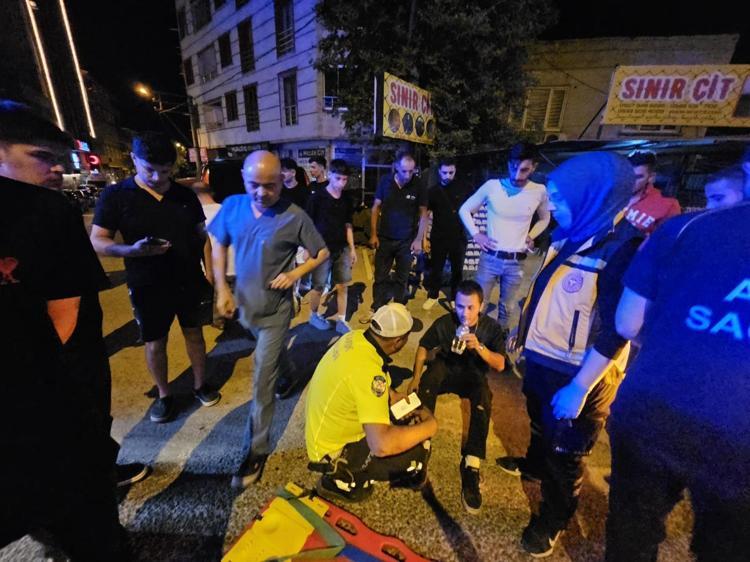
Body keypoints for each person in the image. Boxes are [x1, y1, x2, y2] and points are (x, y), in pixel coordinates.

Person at [496, 152, 643, 557]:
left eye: (560, 196)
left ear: (591, 196)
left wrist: (580, 387)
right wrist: (523, 332)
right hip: (545, 359)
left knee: (566, 453)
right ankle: (533, 465)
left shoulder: (622, 249)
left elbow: (618, 328)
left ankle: (554, 518)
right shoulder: (572, 231)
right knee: (541, 427)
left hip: (580, 373)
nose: (551, 205)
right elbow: (547, 289)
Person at [0, 100, 128, 560]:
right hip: (52, 395)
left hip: (39, 398)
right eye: (41, 157)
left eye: (59, 158)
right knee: (86, 516)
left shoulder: (48, 208)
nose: (57, 169)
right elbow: (64, 318)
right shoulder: (45, 211)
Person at [606, 177, 750, 562]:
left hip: (653, 407)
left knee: (632, 530)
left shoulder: (683, 228)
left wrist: (674, 337)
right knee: (727, 546)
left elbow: (627, 323)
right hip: (740, 434)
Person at [209, 150, 329, 488]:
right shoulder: (232, 206)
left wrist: (295, 274)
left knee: (262, 379)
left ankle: (255, 450)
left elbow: (322, 252)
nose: (262, 193)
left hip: (277, 311)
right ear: (244, 180)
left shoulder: (294, 216)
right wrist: (222, 288)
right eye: (254, 185)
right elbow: (218, 243)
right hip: (245, 308)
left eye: (270, 186)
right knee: (273, 361)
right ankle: (288, 375)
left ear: (282, 181)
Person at [91, 132, 220, 423]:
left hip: (188, 279)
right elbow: (98, 240)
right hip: (147, 282)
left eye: (165, 171)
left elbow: (202, 237)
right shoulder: (115, 196)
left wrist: (211, 274)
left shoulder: (184, 196)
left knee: (195, 334)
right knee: (155, 342)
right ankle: (164, 395)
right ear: (134, 159)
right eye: (149, 169)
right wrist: (131, 250)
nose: (157, 178)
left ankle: (200, 385)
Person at [305, 303, 437, 502]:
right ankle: (341, 478)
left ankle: (350, 469)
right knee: (418, 454)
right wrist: (430, 426)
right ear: (398, 341)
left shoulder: (356, 338)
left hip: (324, 431)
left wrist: (392, 396)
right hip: (330, 451)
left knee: (402, 425)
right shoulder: (370, 374)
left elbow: (362, 379)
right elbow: (381, 445)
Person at [407, 280, 505, 513]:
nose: (465, 313)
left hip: (473, 374)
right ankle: (422, 445)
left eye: (471, 307)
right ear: (454, 305)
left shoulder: (490, 328)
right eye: (460, 306)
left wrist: (479, 347)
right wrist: (415, 377)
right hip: (447, 369)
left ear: (481, 306)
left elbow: (500, 364)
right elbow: (423, 345)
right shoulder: (446, 323)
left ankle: (472, 463)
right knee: (429, 381)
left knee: (483, 397)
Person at [459, 142, 550, 332]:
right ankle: (472, 338)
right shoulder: (492, 186)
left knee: (507, 308)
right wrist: (476, 234)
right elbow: (465, 209)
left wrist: (531, 235)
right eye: (514, 168)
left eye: (524, 170)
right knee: (477, 304)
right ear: (509, 164)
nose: (517, 175)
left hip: (517, 261)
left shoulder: (539, 190)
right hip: (490, 257)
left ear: (534, 167)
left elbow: (545, 219)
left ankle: (498, 340)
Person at [364, 149, 428, 322]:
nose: (408, 175)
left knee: (402, 278)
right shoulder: (385, 181)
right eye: (404, 171)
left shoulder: (418, 185)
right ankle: (376, 307)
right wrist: (373, 234)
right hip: (384, 238)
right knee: (380, 277)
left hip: (407, 240)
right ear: (396, 167)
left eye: (411, 171)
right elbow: (375, 208)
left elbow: (423, 214)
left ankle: (399, 308)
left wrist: (419, 240)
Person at [306, 159, 357, 334]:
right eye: (338, 178)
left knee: (343, 285)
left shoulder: (347, 199)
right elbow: (308, 225)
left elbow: (348, 224)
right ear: (330, 175)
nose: (341, 183)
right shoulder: (317, 198)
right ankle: (313, 315)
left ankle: (341, 320)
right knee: (318, 285)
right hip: (321, 249)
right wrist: (307, 249)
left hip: (342, 248)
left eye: (345, 179)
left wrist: (352, 248)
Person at [422, 158, 472, 311]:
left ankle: (454, 298)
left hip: (459, 237)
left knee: (457, 270)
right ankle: (433, 295)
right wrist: (423, 238)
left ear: (455, 171)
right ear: (439, 171)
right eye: (444, 172)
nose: (448, 176)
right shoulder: (433, 191)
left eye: (451, 172)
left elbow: (473, 208)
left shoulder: (464, 188)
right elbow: (425, 216)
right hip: (439, 236)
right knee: (436, 268)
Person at [192, 181, 236, 328]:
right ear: (211, 193)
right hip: (237, 267)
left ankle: (222, 323)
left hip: (216, 270)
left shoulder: (197, 217)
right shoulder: (228, 210)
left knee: (219, 309)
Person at [622, 150, 681, 236]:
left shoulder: (668, 205)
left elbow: (667, 239)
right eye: (626, 175)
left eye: (638, 177)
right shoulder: (609, 194)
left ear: (651, 177)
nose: (630, 181)